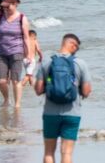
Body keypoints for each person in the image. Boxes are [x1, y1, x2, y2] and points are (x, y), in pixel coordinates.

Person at [37, 33, 92, 163]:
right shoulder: (80, 64)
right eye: (76, 48)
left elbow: (38, 90)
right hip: (72, 113)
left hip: (50, 113)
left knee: (49, 152)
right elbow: (86, 91)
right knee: (66, 152)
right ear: (72, 45)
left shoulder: (47, 62)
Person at [0, 0, 31, 108]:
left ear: (15, 4)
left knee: (15, 81)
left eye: (8, 7)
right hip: (1, 53)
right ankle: (6, 100)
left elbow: (26, 37)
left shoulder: (22, 18)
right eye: (4, 7)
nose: (5, 9)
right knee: (1, 81)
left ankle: (17, 104)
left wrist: (29, 54)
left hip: (16, 53)